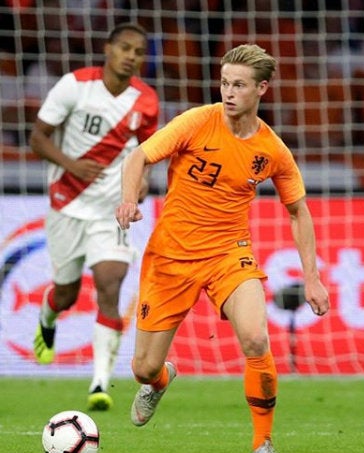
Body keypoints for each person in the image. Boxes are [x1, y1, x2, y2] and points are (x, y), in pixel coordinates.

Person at [115, 44, 330, 453]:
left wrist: (313, 279)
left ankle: (262, 442)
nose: (228, 92)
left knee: (255, 340)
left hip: (229, 254)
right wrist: (129, 199)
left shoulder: (271, 150)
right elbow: (138, 157)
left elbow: (298, 212)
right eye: (224, 83)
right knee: (144, 368)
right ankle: (160, 381)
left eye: (239, 85)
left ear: (262, 88)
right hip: (171, 255)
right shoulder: (197, 122)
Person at [30, 22, 159, 411]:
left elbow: (148, 154)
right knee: (66, 293)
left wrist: (142, 183)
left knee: (110, 284)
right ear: (108, 49)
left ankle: (100, 382)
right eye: (124, 48)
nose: (130, 56)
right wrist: (72, 165)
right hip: (67, 203)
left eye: (138, 51)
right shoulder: (75, 85)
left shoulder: (147, 102)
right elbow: (38, 137)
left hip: (111, 209)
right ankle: (48, 318)